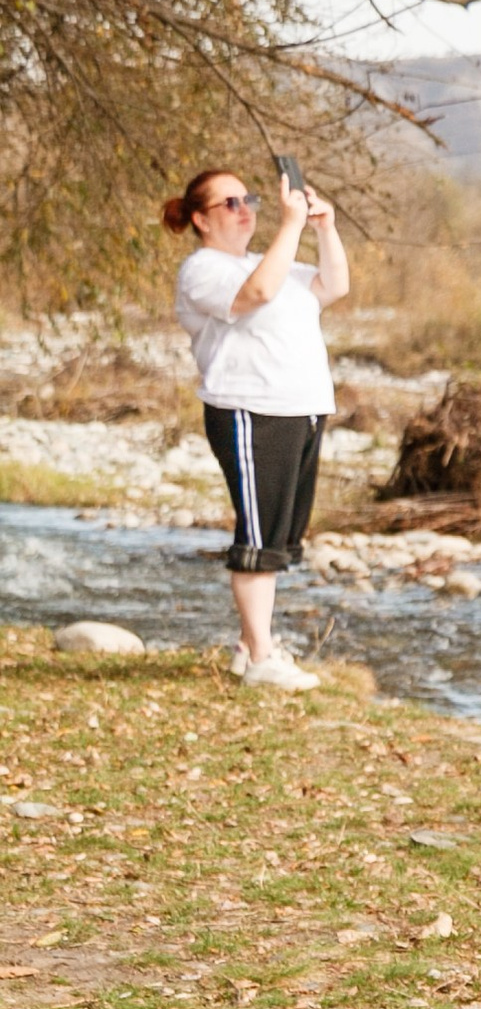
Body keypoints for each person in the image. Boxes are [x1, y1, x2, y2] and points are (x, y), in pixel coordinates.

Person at [163, 164, 346, 690]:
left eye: (249, 200)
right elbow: (256, 295)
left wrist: (323, 227)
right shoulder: (203, 270)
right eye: (230, 203)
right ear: (201, 219)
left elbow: (334, 284)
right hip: (249, 409)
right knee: (259, 534)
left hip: (303, 408)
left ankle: (250, 646)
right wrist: (289, 227)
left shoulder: (273, 264)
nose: (245, 211)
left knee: (283, 536)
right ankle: (263, 657)